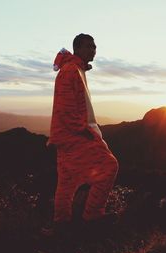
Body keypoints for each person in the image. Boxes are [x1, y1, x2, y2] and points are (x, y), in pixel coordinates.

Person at [48, 33, 119, 231]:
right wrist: (84, 130)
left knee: (67, 181)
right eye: (88, 46)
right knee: (109, 165)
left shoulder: (75, 69)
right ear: (77, 49)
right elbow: (65, 107)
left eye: (94, 46)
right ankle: (92, 216)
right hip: (74, 135)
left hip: (66, 136)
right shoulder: (70, 71)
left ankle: (61, 224)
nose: (93, 49)